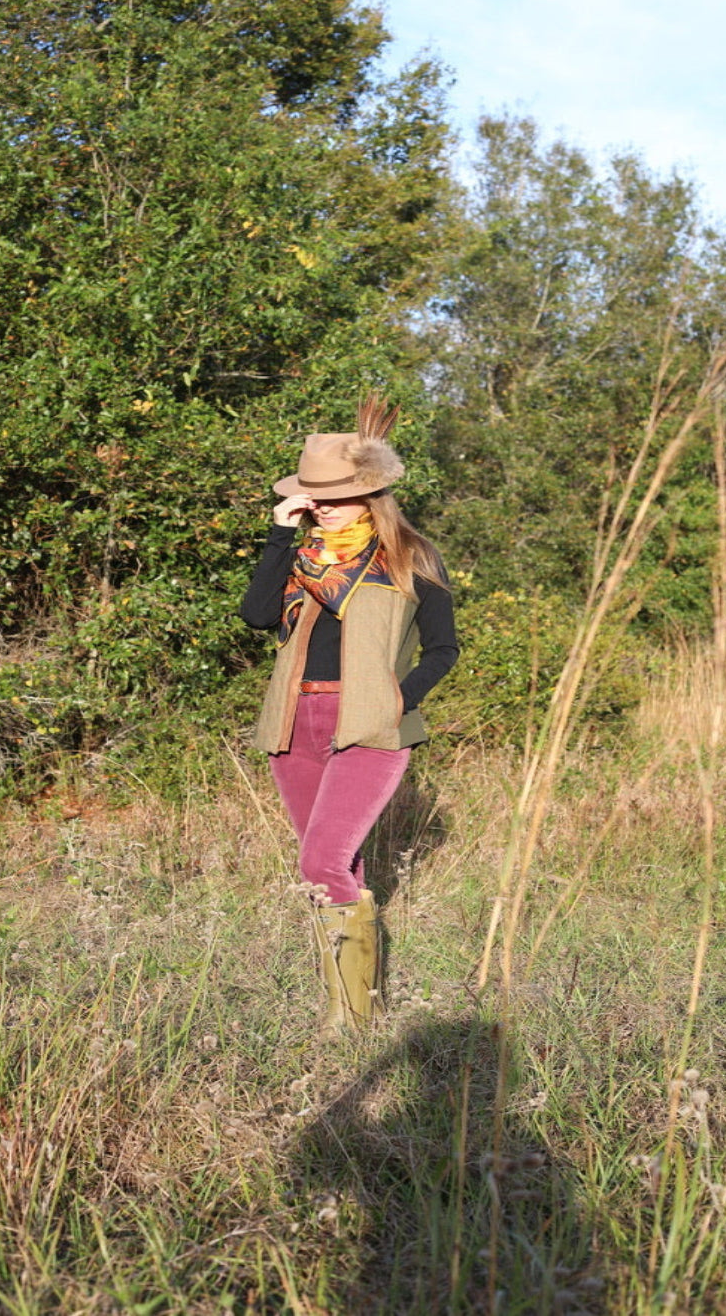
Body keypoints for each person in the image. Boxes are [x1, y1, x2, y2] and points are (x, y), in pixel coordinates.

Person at [240, 393, 458, 1039]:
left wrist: (396, 701)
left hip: (369, 724)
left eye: (335, 496)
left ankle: (352, 1019)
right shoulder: (302, 557)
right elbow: (256, 615)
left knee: (321, 863)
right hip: (295, 721)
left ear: (371, 495)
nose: (323, 507)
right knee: (336, 868)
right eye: (314, 497)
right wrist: (281, 534)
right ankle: (352, 1013)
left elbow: (444, 649)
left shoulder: (410, 557)